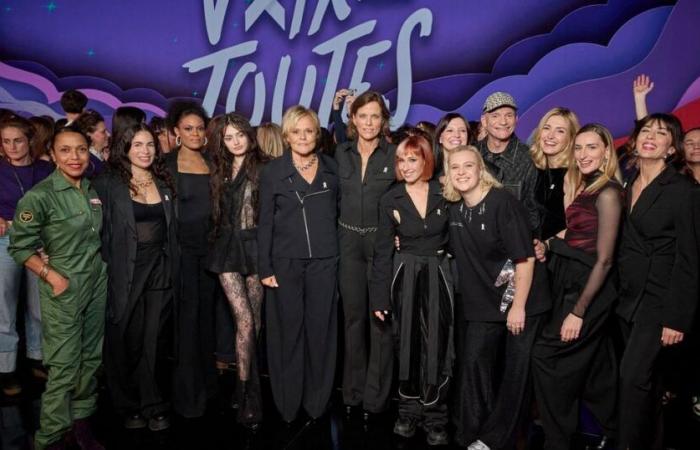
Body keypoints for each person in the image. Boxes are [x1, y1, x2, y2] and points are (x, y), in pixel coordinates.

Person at [444, 145, 550, 450]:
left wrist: (518, 307)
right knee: (474, 362)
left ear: (481, 170)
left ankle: (495, 439)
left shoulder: (503, 203)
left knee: (515, 372)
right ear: (449, 174)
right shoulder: (454, 210)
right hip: (485, 302)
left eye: (468, 166)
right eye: (455, 167)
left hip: (523, 299)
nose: (462, 172)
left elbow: (525, 259)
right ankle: (470, 433)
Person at [8, 125, 107, 450]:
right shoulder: (39, 196)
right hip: (63, 287)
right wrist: (51, 275)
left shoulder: (91, 189)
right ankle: (50, 436)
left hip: (95, 284)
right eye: (65, 150)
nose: (74, 157)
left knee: (90, 360)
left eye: (80, 149)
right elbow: (20, 246)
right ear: (52, 154)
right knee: (64, 366)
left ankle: (80, 424)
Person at [531, 124, 623, 450]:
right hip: (570, 278)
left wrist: (578, 311)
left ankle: (558, 439)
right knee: (596, 368)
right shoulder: (587, 187)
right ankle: (620, 431)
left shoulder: (609, 192)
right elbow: (575, 235)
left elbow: (605, 260)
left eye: (592, 148)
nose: (584, 155)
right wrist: (546, 244)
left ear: (606, 152)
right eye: (580, 148)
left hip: (589, 289)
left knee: (545, 353)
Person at [616, 113, 699, 449]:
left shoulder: (684, 190)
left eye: (662, 133)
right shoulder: (627, 182)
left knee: (633, 377)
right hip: (626, 297)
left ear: (670, 148)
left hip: (659, 298)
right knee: (646, 384)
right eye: (645, 130)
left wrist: (676, 316)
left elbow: (691, 258)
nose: (651, 136)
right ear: (634, 142)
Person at [93, 123, 177, 432]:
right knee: (125, 338)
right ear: (125, 148)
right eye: (138, 144)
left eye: (150, 145)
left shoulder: (164, 182)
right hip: (125, 271)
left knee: (154, 340)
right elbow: (92, 228)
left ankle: (153, 402)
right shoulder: (108, 183)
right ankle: (127, 404)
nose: (145, 150)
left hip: (161, 270)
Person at [370, 135, 454, 446]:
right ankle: (407, 412)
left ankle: (435, 416)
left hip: (438, 274)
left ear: (426, 161)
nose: (406, 166)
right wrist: (379, 296)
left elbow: (459, 236)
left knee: (437, 346)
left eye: (413, 160)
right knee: (405, 346)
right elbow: (381, 252)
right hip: (403, 273)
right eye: (401, 160)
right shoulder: (390, 199)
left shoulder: (445, 192)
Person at [257, 105, 339, 422]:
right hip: (284, 263)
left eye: (309, 131)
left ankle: (317, 402)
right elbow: (264, 223)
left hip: (325, 261)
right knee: (287, 333)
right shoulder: (273, 172)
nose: (303, 137)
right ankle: (287, 402)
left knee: (321, 332)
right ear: (287, 136)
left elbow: (340, 215)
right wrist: (265, 267)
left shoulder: (331, 169)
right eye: (297, 131)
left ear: (316, 134)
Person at [334, 90, 397, 415]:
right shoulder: (340, 153)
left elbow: (406, 195)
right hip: (348, 244)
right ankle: (352, 392)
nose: (369, 122)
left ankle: (376, 398)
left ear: (383, 119)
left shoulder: (395, 154)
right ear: (353, 119)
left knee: (380, 321)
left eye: (375, 115)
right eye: (363, 115)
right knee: (353, 319)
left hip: (381, 245)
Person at [207, 113, 267, 428]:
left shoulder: (265, 167)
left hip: (256, 249)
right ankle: (248, 396)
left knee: (254, 324)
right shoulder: (218, 170)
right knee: (243, 320)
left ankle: (243, 384)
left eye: (240, 135)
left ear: (249, 135)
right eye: (229, 137)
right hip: (227, 251)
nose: (235, 142)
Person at [164, 100, 218, 418]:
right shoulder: (166, 165)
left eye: (199, 128)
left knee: (206, 322)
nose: (195, 133)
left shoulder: (213, 162)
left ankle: (209, 388)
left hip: (209, 255)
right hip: (181, 254)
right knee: (186, 324)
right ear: (176, 132)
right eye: (188, 128)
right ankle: (187, 396)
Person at [0, 116, 53, 396]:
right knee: (4, 305)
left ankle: (36, 358)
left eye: (17, 140)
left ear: (30, 140)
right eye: (6, 141)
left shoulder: (46, 169)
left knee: (38, 305)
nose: (12, 146)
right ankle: (6, 369)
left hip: (39, 242)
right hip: (5, 239)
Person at [475, 92, 541, 232]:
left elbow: (533, 209)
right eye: (495, 115)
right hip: (475, 241)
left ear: (516, 119)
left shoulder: (529, 158)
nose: (503, 121)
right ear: (484, 121)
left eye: (509, 115)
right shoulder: (472, 154)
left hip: (514, 241)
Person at [529, 107, 580, 239]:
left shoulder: (574, 175)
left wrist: (546, 246)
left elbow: (577, 228)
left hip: (558, 253)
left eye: (560, 131)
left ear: (571, 138)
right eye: (546, 128)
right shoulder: (531, 171)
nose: (550, 135)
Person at [433, 113, 470, 182]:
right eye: (450, 130)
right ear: (440, 138)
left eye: (462, 130)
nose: (457, 135)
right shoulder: (429, 170)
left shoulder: (480, 168)